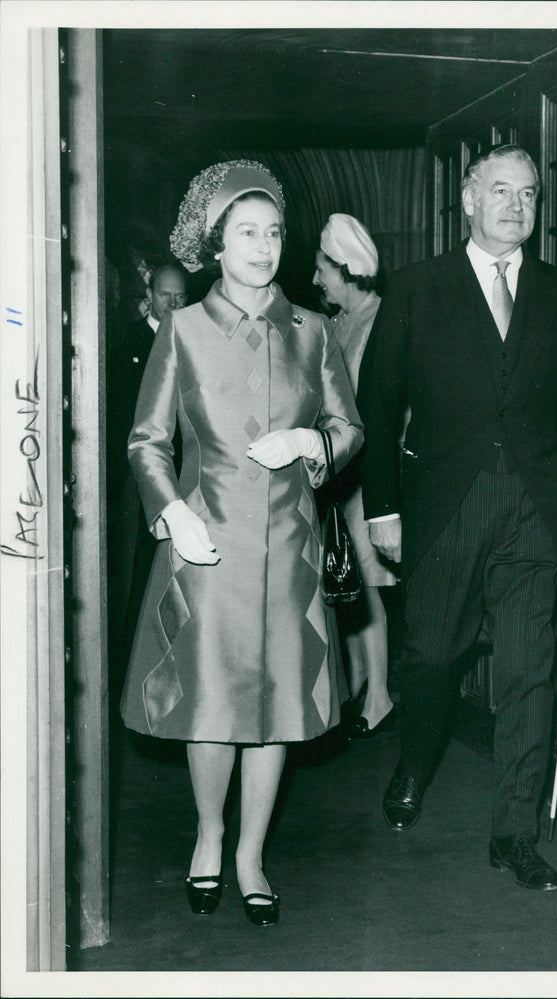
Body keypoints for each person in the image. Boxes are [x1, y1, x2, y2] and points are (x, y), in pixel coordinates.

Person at [357, 144, 557, 892]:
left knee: (528, 672)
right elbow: (376, 405)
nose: (516, 205)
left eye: (529, 193)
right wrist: (382, 509)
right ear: (469, 199)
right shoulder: (416, 289)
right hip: (445, 505)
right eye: (501, 190)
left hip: (533, 507)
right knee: (432, 658)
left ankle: (514, 832)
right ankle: (416, 757)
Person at [119, 160, 363, 926]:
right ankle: (210, 832)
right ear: (217, 246)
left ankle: (253, 853)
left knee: (276, 709)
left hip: (289, 549)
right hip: (208, 547)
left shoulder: (312, 330)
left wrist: (310, 441)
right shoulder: (183, 330)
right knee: (213, 703)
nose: (263, 247)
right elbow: (146, 442)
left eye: (273, 233)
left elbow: (349, 428)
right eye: (246, 234)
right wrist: (171, 511)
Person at [312, 214, 398, 739]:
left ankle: (381, 696)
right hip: (338, 474)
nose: (317, 279)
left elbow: (379, 413)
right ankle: (360, 683)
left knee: (364, 584)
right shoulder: (338, 323)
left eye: (323, 269)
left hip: (368, 476)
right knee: (342, 581)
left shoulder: (381, 321)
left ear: (345, 269)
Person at [107, 264, 189, 671]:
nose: (173, 303)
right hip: (139, 475)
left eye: (180, 297)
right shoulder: (129, 343)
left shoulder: (192, 339)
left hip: (184, 474)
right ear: (149, 294)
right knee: (136, 568)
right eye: (165, 296)